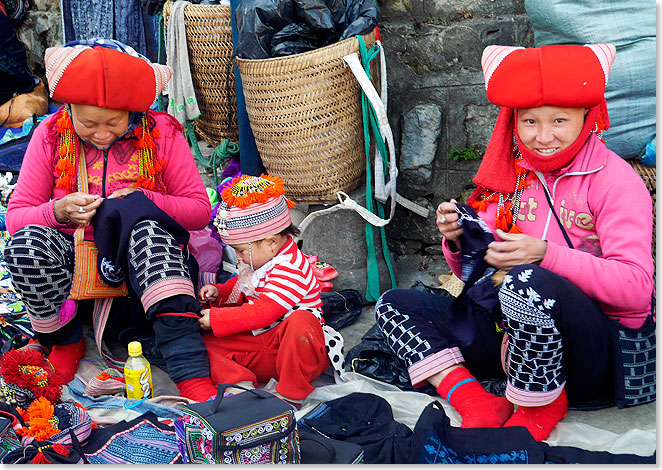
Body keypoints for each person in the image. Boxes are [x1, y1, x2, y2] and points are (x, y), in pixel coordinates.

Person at [375, 43, 654, 441]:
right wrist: (458, 239)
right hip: (513, 337)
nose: (543, 138)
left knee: (527, 281)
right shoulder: (515, 175)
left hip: (592, 357)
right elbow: (483, 267)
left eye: (559, 121)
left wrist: (546, 256)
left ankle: (537, 407)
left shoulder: (615, 182)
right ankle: (475, 399)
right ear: (513, 122)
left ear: (587, 118)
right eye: (529, 123)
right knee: (395, 305)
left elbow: (636, 290)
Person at [4, 39, 218, 402]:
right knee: (25, 246)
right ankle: (65, 345)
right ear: (68, 109)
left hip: (149, 280)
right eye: (87, 124)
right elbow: (16, 218)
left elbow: (199, 211)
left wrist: (144, 201)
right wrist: (57, 212)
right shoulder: (51, 136)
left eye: (114, 123)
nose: (102, 135)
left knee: (148, 229)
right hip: (80, 289)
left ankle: (191, 373)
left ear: (133, 112)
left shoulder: (161, 133)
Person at [199, 174, 345, 403]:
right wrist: (219, 293)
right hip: (263, 344)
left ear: (271, 242)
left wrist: (218, 319)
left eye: (239, 251)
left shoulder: (292, 267)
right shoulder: (258, 261)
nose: (239, 258)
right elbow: (240, 289)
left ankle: (291, 393)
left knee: (300, 322)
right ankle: (240, 382)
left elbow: (263, 312)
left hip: (297, 351)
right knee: (202, 345)